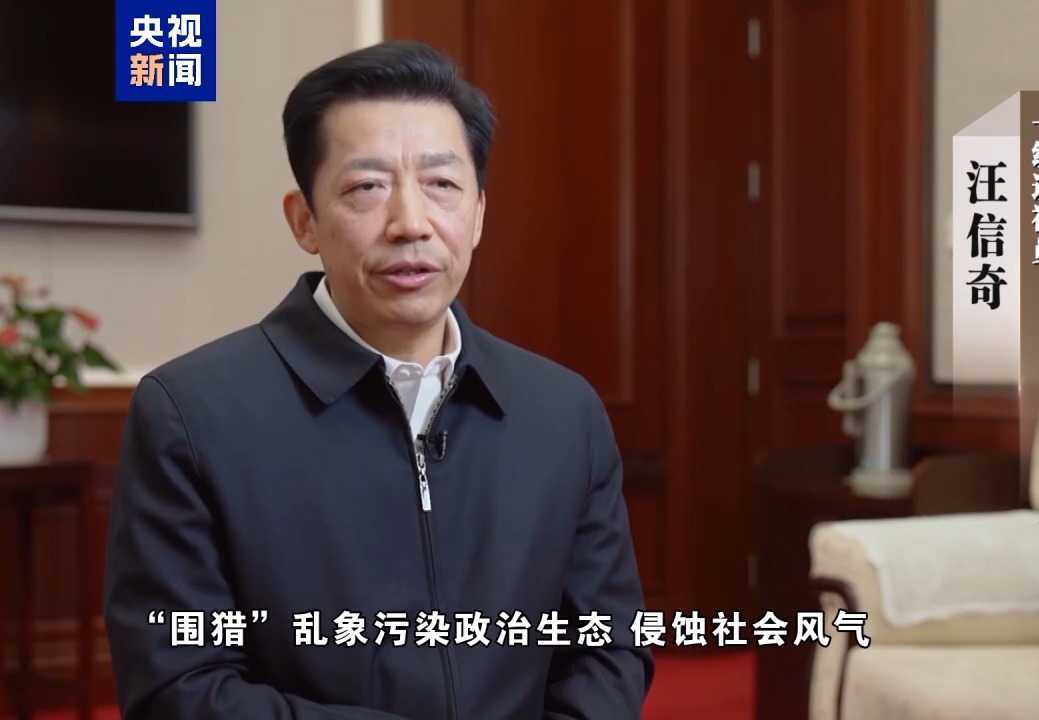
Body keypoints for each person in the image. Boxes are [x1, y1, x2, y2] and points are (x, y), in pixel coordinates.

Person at [103, 40, 654, 719]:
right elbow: (178, 687)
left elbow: (611, 646)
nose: (410, 223)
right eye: (367, 187)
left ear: (479, 214)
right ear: (304, 221)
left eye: (442, 184)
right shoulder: (191, 414)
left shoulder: (563, 413)